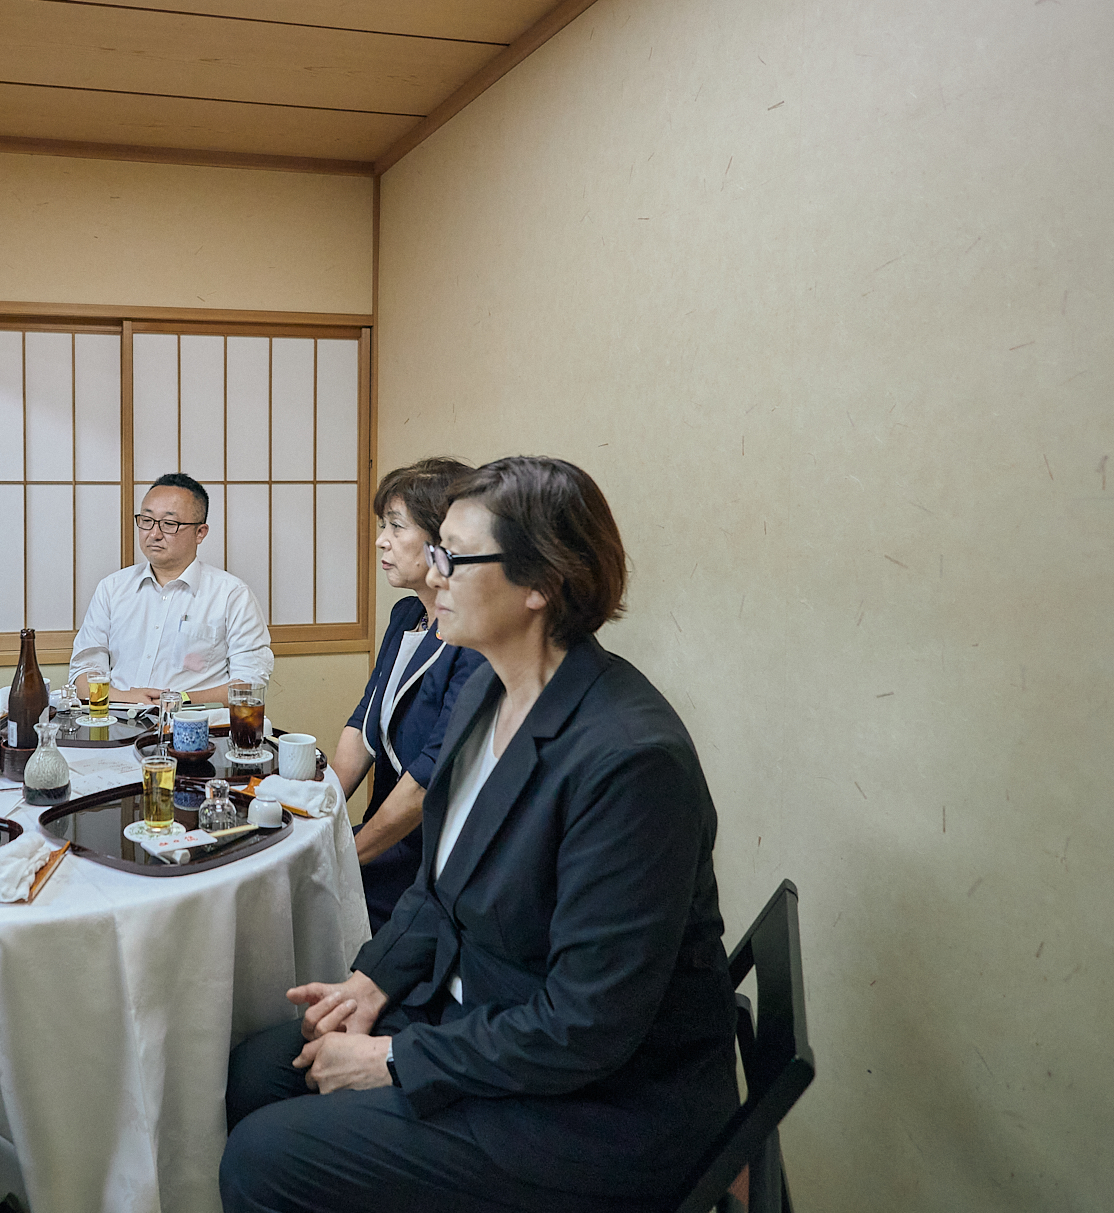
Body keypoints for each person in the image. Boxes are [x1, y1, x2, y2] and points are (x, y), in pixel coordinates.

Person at [222, 457, 738, 1213]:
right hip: (483, 1010)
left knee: (263, 1159)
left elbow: (585, 1025)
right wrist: (375, 979)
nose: (433, 576)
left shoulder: (629, 761)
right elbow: (440, 885)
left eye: (453, 557)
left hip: (594, 1103)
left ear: (540, 584)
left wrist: (394, 1057)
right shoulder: (486, 690)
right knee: (255, 1071)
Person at [329, 458, 483, 930]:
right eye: (383, 526)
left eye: (396, 526)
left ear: (446, 540)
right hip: (381, 828)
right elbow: (364, 723)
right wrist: (316, 816)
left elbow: (429, 778)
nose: (382, 540)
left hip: (428, 851)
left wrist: (343, 856)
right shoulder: (405, 615)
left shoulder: (473, 640)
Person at [70, 472, 272, 706]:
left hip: (196, 722)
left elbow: (249, 682)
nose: (154, 534)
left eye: (169, 524)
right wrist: (127, 698)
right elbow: (83, 674)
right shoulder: (112, 588)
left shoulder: (232, 595)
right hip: (118, 719)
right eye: (147, 521)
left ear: (200, 533)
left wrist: (177, 700)